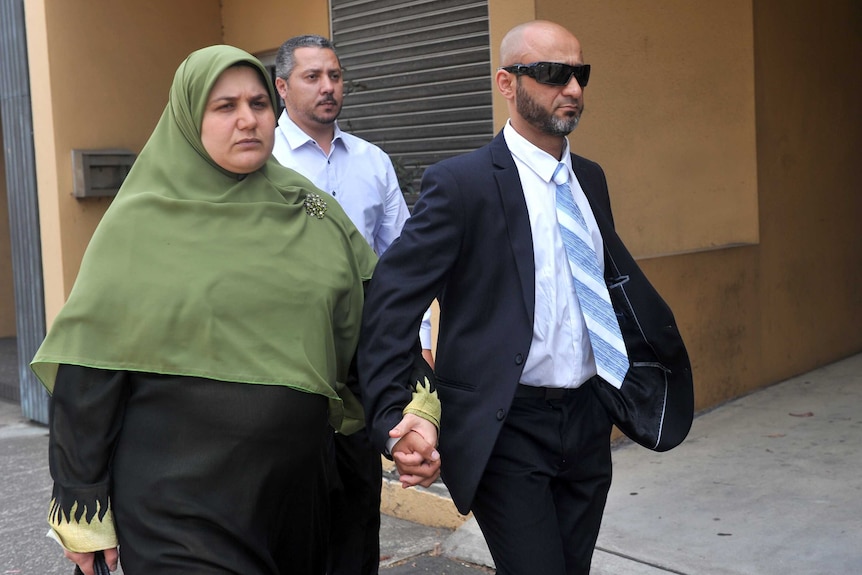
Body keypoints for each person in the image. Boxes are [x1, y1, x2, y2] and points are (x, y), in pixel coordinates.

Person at [357, 20, 694, 575]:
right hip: (506, 424)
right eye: (550, 73)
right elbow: (391, 307)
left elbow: (603, 287)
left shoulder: (591, 178)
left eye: (579, 74)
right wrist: (405, 410)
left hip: (589, 417)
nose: (573, 89)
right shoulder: (461, 184)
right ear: (506, 84)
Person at [31, 45, 377, 575]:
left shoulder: (310, 210)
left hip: (296, 500)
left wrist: (409, 411)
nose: (248, 120)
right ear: (189, 118)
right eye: (225, 106)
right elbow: (89, 371)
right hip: (177, 504)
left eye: (259, 104)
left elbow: (370, 324)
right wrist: (82, 497)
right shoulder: (140, 223)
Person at [271, 34, 434, 575]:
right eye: (312, 76)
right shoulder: (259, 162)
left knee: (358, 508)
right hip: (285, 367)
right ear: (281, 86)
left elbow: (404, 267)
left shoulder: (372, 162)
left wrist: (422, 349)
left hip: (362, 367)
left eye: (335, 76)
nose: (328, 87)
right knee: (292, 514)